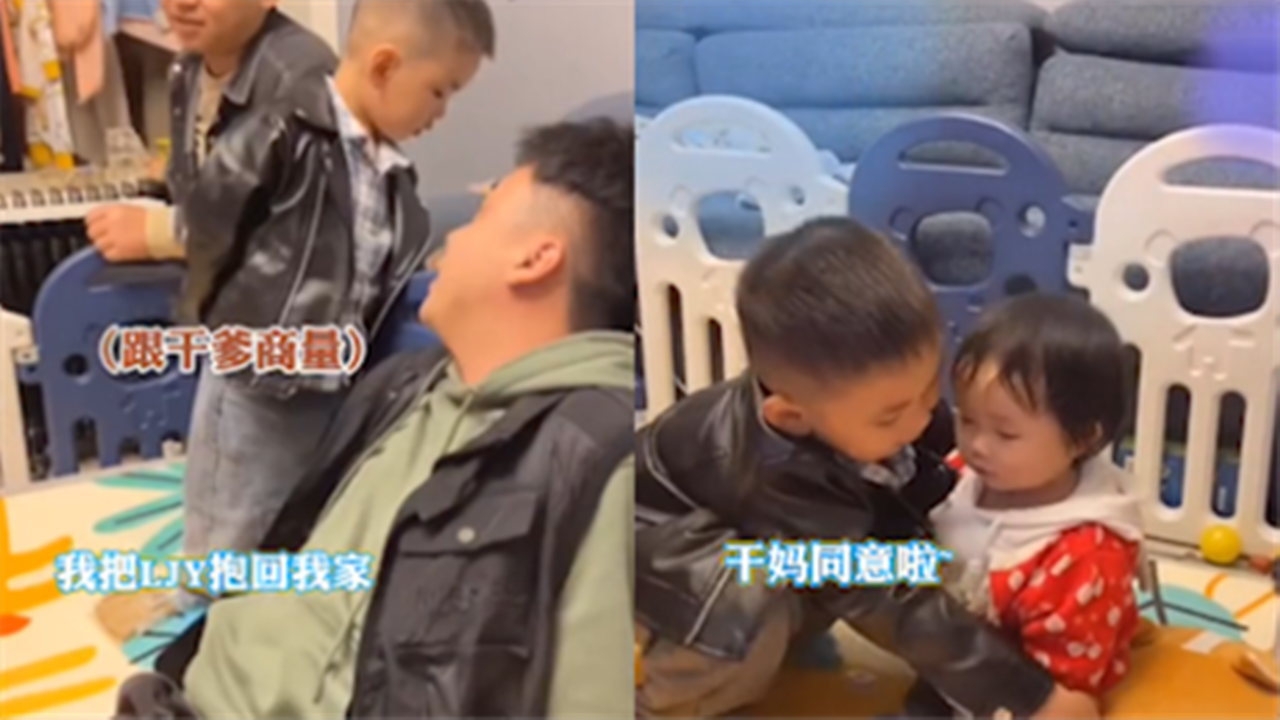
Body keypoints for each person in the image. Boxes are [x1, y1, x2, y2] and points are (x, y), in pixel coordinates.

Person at [111, 117, 636, 720]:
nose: (453, 238)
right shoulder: (406, 386)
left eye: (482, 215)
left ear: (535, 258)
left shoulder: (601, 462)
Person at [94, 0, 496, 639]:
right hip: (262, 369)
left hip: (327, 373)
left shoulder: (387, 168)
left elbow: (374, 255)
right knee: (233, 496)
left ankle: (266, 608)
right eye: (439, 92)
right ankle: (196, 613)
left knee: (290, 496)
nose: (441, 113)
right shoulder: (285, 128)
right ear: (386, 66)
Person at [634, 217, 1103, 720]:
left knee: (894, 557)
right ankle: (669, 705)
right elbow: (881, 590)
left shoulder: (872, 405)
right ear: (792, 417)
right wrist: (1026, 695)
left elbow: (931, 497)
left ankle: (775, 641)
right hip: (653, 563)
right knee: (756, 596)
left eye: (931, 389)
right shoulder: (772, 472)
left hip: (769, 544)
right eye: (891, 416)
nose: (922, 418)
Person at [907, 294, 1143, 718]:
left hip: (1029, 692)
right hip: (951, 667)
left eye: (1006, 434)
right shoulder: (963, 475)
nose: (978, 445)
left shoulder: (1084, 554)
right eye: (967, 420)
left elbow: (1063, 688)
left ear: (1083, 438)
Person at [84, 0, 336, 263]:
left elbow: (306, 234)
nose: (183, 3)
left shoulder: (300, 77)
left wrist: (159, 232)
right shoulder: (187, 69)